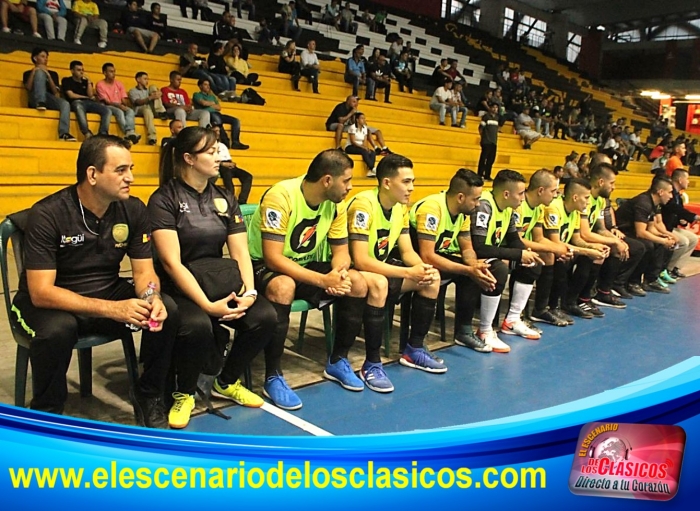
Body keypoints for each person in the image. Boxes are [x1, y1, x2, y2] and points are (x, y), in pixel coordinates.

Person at [10, 135, 177, 428]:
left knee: (169, 311)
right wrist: (112, 309)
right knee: (57, 331)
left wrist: (152, 297)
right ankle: (47, 415)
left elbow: (143, 273)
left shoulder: (133, 209)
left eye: (131, 169)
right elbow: (41, 292)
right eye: (121, 170)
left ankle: (149, 395)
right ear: (92, 174)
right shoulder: (48, 214)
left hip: (105, 291)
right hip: (49, 303)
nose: (131, 178)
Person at [148, 127, 273, 429]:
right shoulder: (163, 199)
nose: (220, 157)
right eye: (212, 151)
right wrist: (207, 305)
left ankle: (226, 382)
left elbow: (241, 253)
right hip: (178, 287)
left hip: (217, 280)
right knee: (198, 325)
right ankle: (184, 393)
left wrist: (250, 293)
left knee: (264, 317)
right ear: (189, 158)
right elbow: (171, 262)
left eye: (218, 150)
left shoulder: (225, 198)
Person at [247, 150, 386, 408]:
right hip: (260, 266)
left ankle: (337, 361)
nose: (350, 186)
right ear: (326, 181)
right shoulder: (281, 196)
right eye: (346, 180)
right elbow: (273, 258)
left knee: (357, 282)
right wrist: (324, 281)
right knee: (283, 285)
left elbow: (341, 253)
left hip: (304, 264)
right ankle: (273, 376)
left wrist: (339, 273)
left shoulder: (336, 205)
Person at [348, 154, 445, 384]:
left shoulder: (401, 208)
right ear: (387, 183)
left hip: (379, 266)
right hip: (352, 269)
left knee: (432, 278)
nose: (411, 188)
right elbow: (360, 259)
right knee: (379, 285)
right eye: (406, 182)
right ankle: (371, 364)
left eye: (413, 182)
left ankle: (414, 350)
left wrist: (422, 268)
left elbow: (407, 252)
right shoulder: (363, 205)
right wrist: (407, 273)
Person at [410, 169, 500, 352]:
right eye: (475, 199)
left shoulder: (464, 213)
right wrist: (467, 270)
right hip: (415, 260)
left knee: (474, 272)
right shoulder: (432, 208)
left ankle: (464, 331)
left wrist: (474, 265)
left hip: (437, 256)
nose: (478, 204)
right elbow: (427, 255)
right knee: (465, 273)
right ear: (460, 197)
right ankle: (417, 343)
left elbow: (467, 247)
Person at [469, 170, 544, 352]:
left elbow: (514, 240)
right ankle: (485, 330)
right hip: (471, 255)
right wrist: (518, 255)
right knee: (500, 269)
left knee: (532, 264)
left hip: (490, 253)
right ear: (506, 194)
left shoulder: (509, 210)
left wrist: (526, 253)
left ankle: (511, 320)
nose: (523, 197)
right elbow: (478, 246)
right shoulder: (484, 206)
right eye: (520, 193)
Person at [541, 179, 610, 320]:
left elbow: (577, 239)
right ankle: (552, 306)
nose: (588, 202)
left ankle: (572, 302)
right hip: (551, 249)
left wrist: (593, 247)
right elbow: (556, 243)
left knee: (590, 257)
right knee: (562, 258)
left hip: (565, 247)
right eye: (586, 198)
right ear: (575, 197)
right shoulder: (554, 208)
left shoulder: (576, 210)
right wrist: (587, 251)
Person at [614, 177, 676, 294]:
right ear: (660, 192)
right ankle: (629, 282)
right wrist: (663, 240)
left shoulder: (653, 203)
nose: (671, 196)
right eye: (669, 192)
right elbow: (641, 232)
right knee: (646, 246)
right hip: (621, 231)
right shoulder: (644, 202)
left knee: (658, 243)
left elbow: (651, 228)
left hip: (632, 232)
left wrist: (665, 237)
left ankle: (651, 280)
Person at [23, 47, 75, 141]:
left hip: (49, 98)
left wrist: (48, 75)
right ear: (35, 58)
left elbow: (55, 91)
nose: (45, 59)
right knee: (39, 73)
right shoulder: (27, 73)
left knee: (65, 104)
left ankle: (64, 133)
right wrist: (35, 71)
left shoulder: (53, 74)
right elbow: (28, 88)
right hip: (34, 97)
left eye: (46, 57)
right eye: (43, 56)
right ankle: (40, 101)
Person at [662, 168, 700, 278]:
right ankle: (666, 269)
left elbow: (678, 214)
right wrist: (694, 217)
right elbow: (674, 208)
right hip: (665, 227)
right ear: (680, 179)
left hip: (673, 227)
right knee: (683, 241)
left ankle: (675, 268)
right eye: (687, 179)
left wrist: (681, 221)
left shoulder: (679, 196)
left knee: (693, 238)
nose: (688, 181)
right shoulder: (669, 193)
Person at [61, 60, 112, 140]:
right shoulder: (67, 80)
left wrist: (88, 82)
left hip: (89, 103)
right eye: (78, 70)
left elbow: (90, 95)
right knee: (78, 106)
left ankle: (103, 132)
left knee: (107, 110)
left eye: (82, 70)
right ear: (72, 71)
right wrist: (86, 97)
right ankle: (86, 132)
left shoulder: (85, 82)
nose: (81, 72)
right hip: (76, 102)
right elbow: (71, 95)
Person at [192, 78, 249, 150]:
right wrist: (212, 104)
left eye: (209, 85)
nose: (208, 86)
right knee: (217, 119)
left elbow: (219, 107)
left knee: (236, 120)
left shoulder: (212, 96)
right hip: (208, 114)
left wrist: (208, 104)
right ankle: (225, 141)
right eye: (205, 84)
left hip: (217, 113)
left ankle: (235, 142)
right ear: (200, 86)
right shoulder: (197, 94)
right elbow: (203, 103)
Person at [325, 95, 391, 154]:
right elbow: (341, 121)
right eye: (354, 102)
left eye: (356, 102)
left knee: (376, 131)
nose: (356, 104)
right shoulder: (341, 107)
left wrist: (356, 117)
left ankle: (384, 148)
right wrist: (351, 113)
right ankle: (338, 147)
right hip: (333, 125)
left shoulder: (354, 109)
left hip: (347, 126)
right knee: (340, 125)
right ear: (348, 101)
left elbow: (358, 123)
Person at [96, 63, 141, 144]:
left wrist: (126, 104)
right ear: (104, 73)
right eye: (110, 71)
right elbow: (107, 101)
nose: (113, 74)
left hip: (119, 105)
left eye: (114, 71)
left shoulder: (119, 83)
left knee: (130, 111)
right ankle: (128, 132)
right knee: (119, 112)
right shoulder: (100, 84)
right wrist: (119, 106)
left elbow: (123, 99)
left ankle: (130, 131)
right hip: (107, 106)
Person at [212, 124, 252, 203]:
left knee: (248, 176)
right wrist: (223, 164)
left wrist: (232, 163)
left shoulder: (223, 145)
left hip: (229, 163)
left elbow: (228, 157)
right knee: (228, 178)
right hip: (221, 165)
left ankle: (242, 201)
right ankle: (231, 202)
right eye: (215, 131)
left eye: (219, 131)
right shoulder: (210, 145)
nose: (218, 133)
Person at [128, 71, 168, 146]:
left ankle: (161, 111)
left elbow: (157, 95)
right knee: (147, 110)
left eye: (147, 79)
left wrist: (159, 94)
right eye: (145, 79)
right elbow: (138, 102)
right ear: (138, 79)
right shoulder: (132, 91)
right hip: (140, 109)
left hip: (154, 108)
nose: (147, 81)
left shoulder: (149, 90)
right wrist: (151, 97)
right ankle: (152, 137)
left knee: (153, 87)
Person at [344, 112, 377, 177]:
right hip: (350, 146)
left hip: (360, 147)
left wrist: (366, 147)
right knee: (363, 151)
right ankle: (372, 168)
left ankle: (370, 171)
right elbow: (353, 141)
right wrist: (363, 148)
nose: (364, 120)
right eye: (362, 118)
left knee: (372, 152)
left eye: (364, 118)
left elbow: (364, 141)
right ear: (357, 120)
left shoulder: (365, 128)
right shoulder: (352, 127)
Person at [477, 103, 499, 181]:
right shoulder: (486, 117)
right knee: (483, 159)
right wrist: (483, 138)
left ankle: (487, 175)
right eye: (493, 107)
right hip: (486, 141)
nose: (495, 109)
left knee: (491, 160)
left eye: (496, 107)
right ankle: (479, 174)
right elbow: (480, 128)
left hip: (494, 142)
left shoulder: (497, 118)